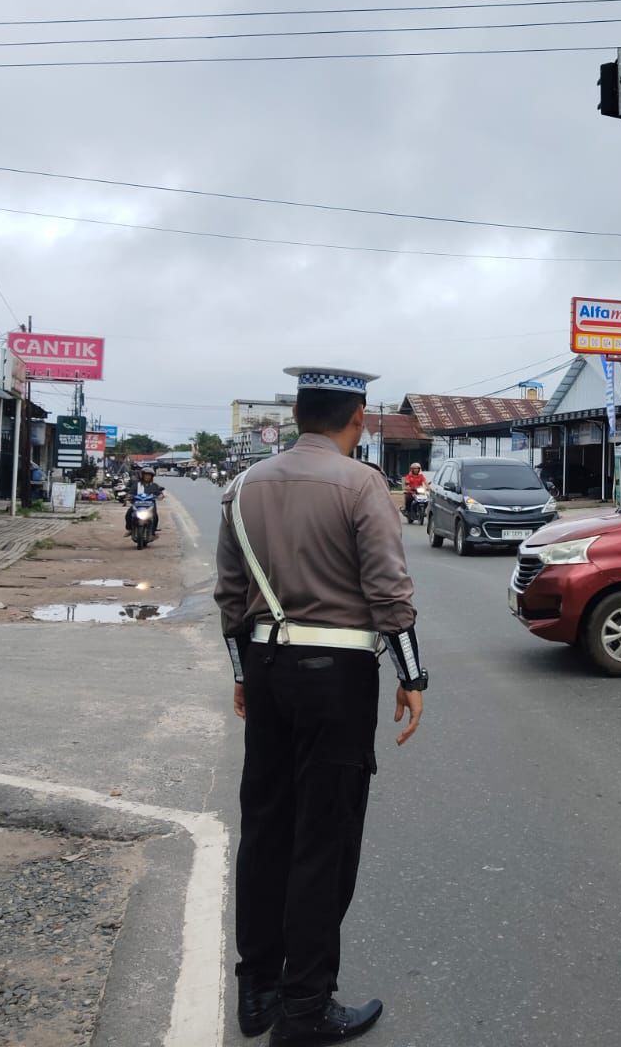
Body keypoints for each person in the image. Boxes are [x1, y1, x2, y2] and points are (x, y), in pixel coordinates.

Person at [216, 367, 426, 1045]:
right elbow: (389, 590)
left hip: (268, 665)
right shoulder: (362, 482)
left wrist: (245, 672)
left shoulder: (242, 485)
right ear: (356, 417)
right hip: (336, 674)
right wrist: (413, 678)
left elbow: (228, 596)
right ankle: (305, 1010)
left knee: (267, 824)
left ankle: (258, 990)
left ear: (298, 413)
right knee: (323, 838)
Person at [123, 468, 162, 537]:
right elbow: (130, 493)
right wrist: (128, 497)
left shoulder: (154, 485)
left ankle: (153, 531)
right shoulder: (136, 485)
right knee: (129, 514)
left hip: (150, 505)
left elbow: (159, 494)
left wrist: (160, 496)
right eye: (146, 475)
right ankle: (130, 529)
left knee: (155, 516)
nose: (147, 477)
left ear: (152, 477)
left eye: (149, 475)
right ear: (142, 476)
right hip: (137, 504)